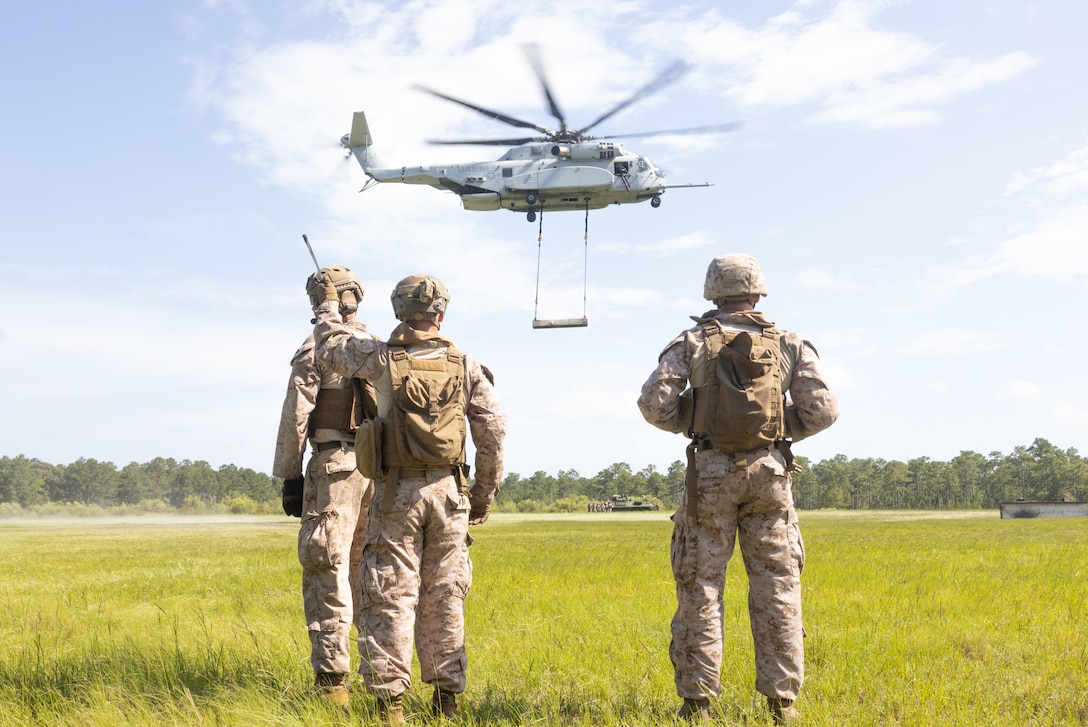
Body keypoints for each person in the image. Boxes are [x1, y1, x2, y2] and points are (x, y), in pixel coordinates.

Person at [637, 253, 839, 725]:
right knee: (778, 586)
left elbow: (653, 405)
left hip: (709, 477)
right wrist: (771, 431)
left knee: (701, 586)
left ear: (712, 292)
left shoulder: (691, 342)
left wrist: (700, 421)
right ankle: (782, 704)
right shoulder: (789, 342)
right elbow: (823, 410)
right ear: (758, 292)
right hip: (770, 475)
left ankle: (697, 703)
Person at [309, 272, 506, 725]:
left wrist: (327, 305)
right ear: (441, 313)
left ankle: (389, 705)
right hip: (449, 493)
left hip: (397, 493)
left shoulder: (379, 358)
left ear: (399, 312)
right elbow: (493, 430)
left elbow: (329, 346)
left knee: (390, 595)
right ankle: (447, 699)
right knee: (446, 595)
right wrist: (483, 494)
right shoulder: (466, 365)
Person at [273, 265, 376, 706]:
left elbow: (298, 411)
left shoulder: (316, 345)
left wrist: (290, 476)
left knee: (326, 569)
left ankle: (332, 685)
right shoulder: (378, 343)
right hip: (380, 469)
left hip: (334, 465)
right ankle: (384, 680)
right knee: (372, 573)